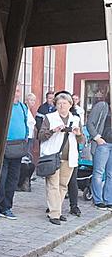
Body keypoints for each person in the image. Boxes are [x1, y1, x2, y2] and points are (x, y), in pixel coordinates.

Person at [39, 91, 85, 224]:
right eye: (59, 103)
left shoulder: (75, 119)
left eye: (64, 103)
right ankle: (54, 214)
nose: (61, 106)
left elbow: (82, 140)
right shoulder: (49, 117)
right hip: (53, 155)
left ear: (70, 105)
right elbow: (41, 136)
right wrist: (53, 131)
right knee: (53, 184)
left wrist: (78, 133)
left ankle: (56, 210)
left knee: (63, 185)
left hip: (69, 157)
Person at [0, 88, 33, 220]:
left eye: (18, 91)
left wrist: (26, 136)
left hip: (18, 148)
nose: (16, 93)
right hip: (3, 147)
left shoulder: (22, 107)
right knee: (1, 179)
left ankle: (7, 207)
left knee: (13, 180)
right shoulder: (2, 106)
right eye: (13, 90)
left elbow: (26, 123)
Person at [86, 92, 112, 209]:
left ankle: (108, 199)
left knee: (110, 174)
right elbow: (90, 123)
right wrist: (97, 137)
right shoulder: (102, 106)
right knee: (98, 172)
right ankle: (98, 200)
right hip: (103, 144)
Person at [17, 92, 39, 192]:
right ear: (26, 100)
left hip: (30, 136)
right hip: (25, 137)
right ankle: (22, 179)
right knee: (25, 156)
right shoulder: (24, 109)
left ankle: (26, 178)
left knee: (28, 157)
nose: (33, 102)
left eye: (34, 100)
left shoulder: (30, 110)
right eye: (31, 100)